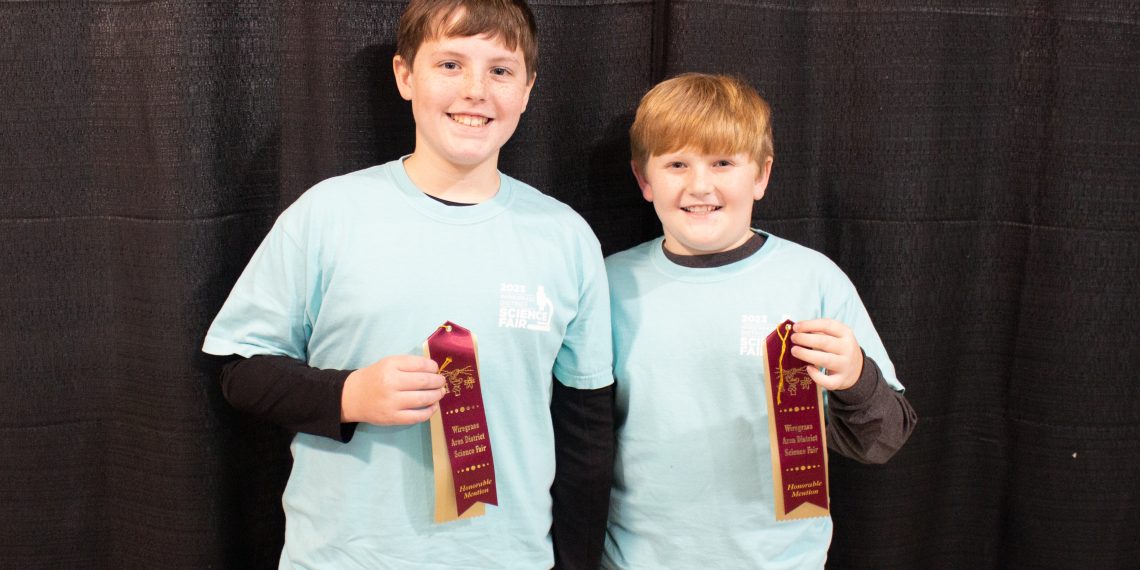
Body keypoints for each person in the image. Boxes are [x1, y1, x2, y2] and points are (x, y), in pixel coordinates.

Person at [202, 1, 614, 567]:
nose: (475, 90)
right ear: (405, 75)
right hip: (343, 558)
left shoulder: (566, 238)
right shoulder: (327, 214)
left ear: (527, 90)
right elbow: (239, 370)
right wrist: (349, 395)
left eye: (500, 70)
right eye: (450, 64)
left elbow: (585, 430)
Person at [602, 73, 917, 569]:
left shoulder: (813, 281)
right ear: (644, 179)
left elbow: (884, 439)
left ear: (761, 176)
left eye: (723, 162)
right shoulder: (607, 284)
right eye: (677, 164)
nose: (699, 185)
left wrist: (856, 377)